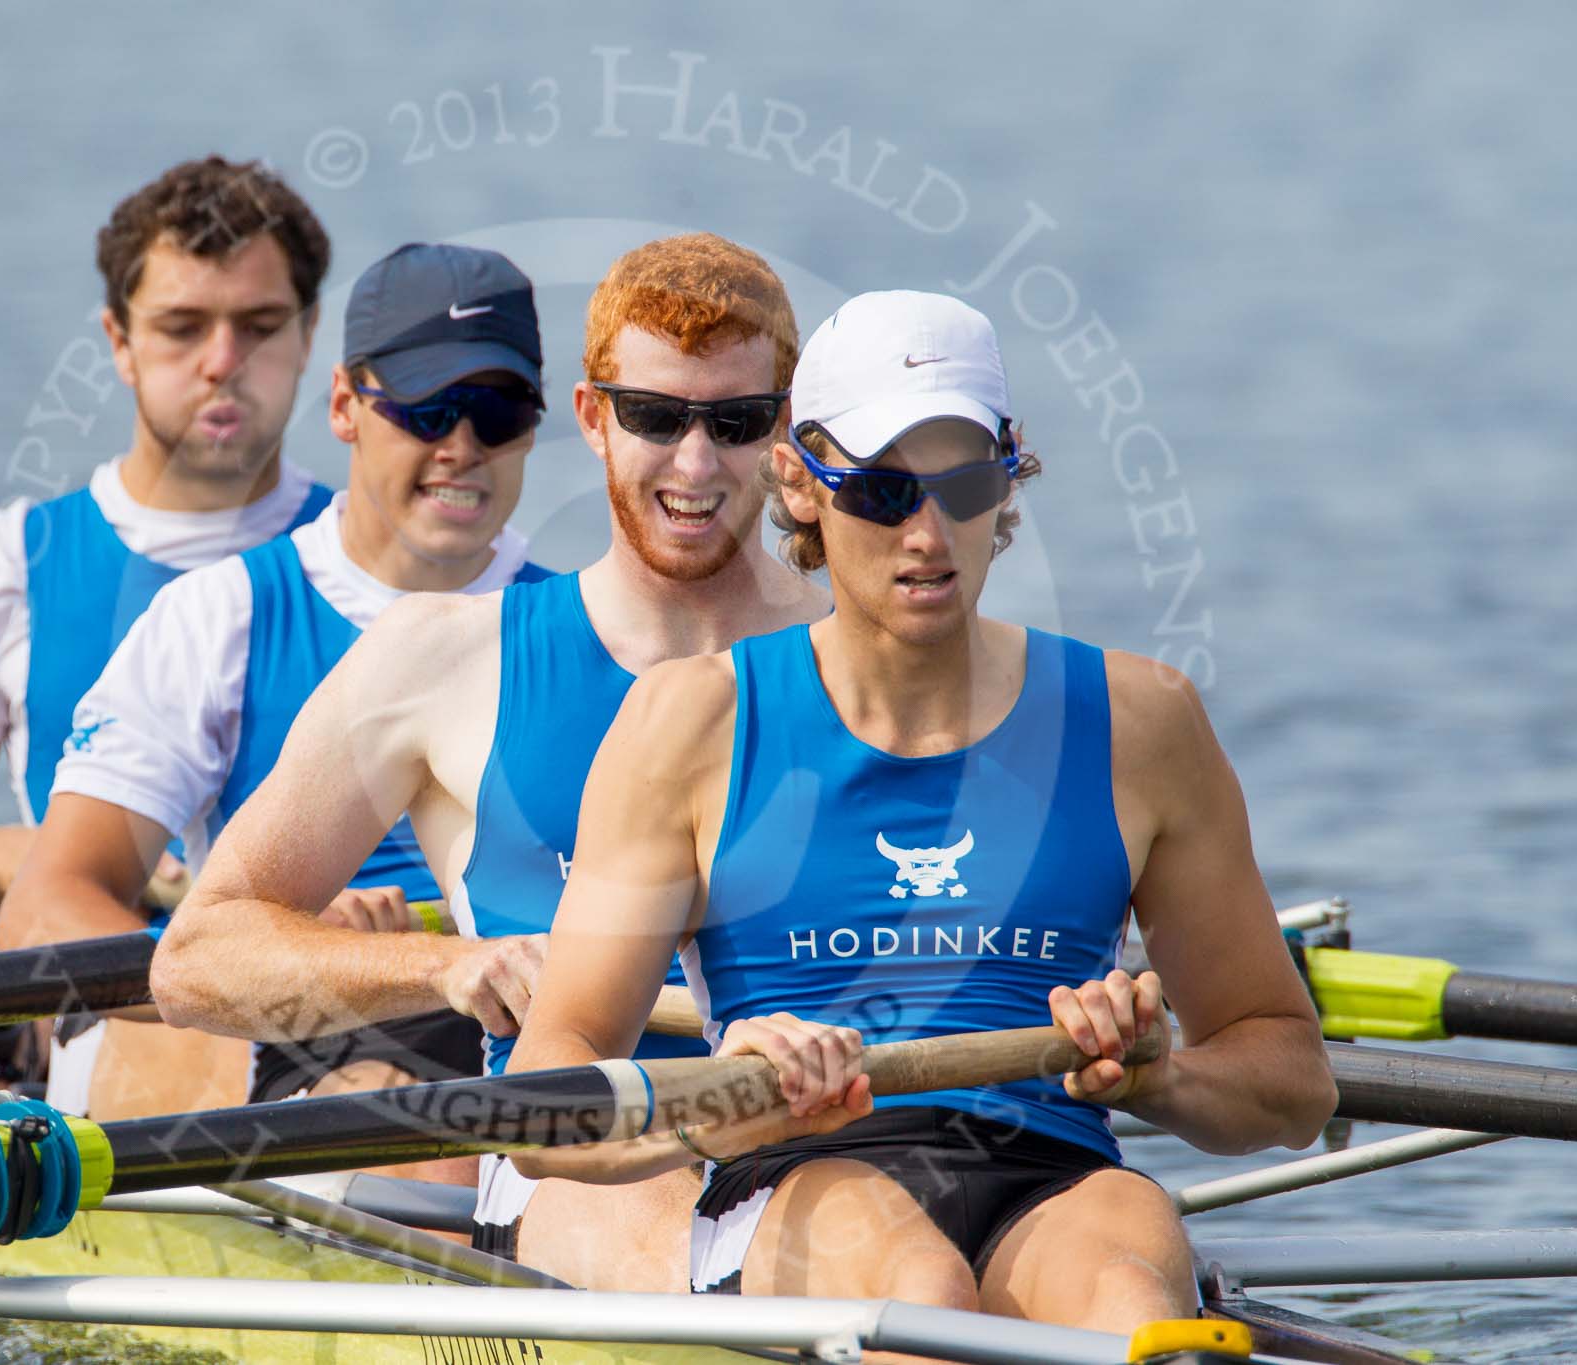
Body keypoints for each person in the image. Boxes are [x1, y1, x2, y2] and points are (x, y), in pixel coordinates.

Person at [505, 291, 1337, 1332]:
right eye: (884, 489)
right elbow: (538, 1103)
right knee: (919, 1299)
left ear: (1011, 474)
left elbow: (1290, 1080)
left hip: (1053, 1174)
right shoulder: (693, 725)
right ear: (799, 482)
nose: (927, 532)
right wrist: (721, 1099)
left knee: (1127, 1294)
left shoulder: (1139, 723)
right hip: (797, 1173)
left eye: (964, 483)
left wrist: (1158, 1075)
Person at [151, 234, 831, 1291]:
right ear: (593, 417)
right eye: (655, 417)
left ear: (780, 431)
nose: (695, 465)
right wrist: (446, 967)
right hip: (576, 1161)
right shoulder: (443, 660)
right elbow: (196, 957)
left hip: (841, 1133)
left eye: (734, 424)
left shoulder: (862, 656)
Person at [0, 243, 552, 1130]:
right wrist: (299, 951)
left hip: (528, 1026)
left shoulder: (580, 626)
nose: (461, 447)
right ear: (344, 404)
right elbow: (49, 904)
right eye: (427, 408)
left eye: (497, 411)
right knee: (401, 1105)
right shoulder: (221, 619)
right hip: (285, 1040)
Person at [0, 157, 333, 945]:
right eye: (182, 326)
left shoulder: (390, 560)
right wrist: (35, 862)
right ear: (119, 341)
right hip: (101, 1013)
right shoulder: (6, 568)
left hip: (332, 995)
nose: (222, 361)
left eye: (260, 326)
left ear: (308, 335)